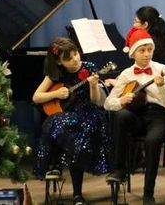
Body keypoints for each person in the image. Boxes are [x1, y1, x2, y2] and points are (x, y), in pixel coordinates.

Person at [32, 37, 111, 205]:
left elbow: (95, 101)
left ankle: (64, 176)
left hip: (88, 114)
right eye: (69, 58)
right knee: (58, 123)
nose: (75, 59)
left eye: (76, 54)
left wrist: (93, 85)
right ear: (59, 62)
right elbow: (36, 97)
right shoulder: (56, 73)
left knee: (59, 125)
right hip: (67, 115)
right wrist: (56, 94)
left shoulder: (89, 68)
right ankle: (58, 172)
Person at [104, 27, 165, 205]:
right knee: (120, 116)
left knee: (152, 141)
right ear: (133, 53)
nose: (147, 54)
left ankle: (148, 194)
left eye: (149, 49)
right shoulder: (126, 74)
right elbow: (108, 103)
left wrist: (160, 87)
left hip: (158, 116)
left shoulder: (163, 70)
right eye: (142, 50)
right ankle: (120, 169)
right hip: (136, 116)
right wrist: (121, 100)